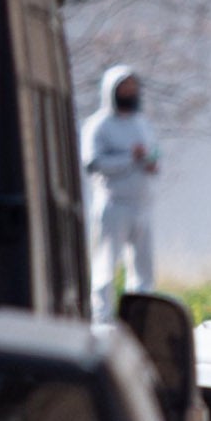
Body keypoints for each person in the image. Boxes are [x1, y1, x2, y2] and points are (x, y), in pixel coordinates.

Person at [82, 65, 159, 320]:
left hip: (142, 204)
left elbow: (153, 154)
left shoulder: (142, 123)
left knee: (143, 271)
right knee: (105, 267)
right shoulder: (98, 125)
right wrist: (129, 158)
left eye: (132, 88)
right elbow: (93, 163)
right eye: (124, 88)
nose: (129, 92)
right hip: (113, 205)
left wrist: (149, 161)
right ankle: (101, 319)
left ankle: (139, 321)